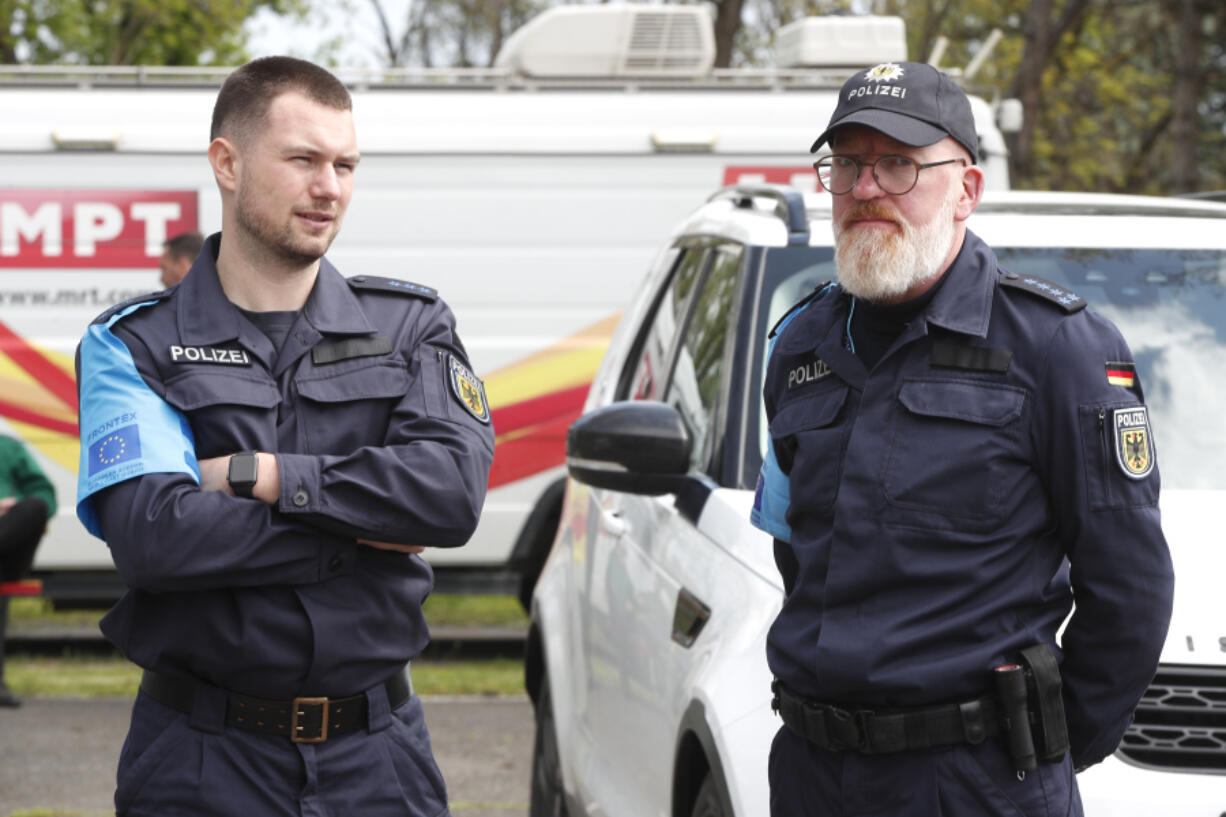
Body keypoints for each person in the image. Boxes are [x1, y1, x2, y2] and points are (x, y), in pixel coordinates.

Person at [751, 61, 1173, 817]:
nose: (867, 188)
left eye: (900, 164)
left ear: (967, 190)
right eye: (846, 163)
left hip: (976, 786)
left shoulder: (1054, 350)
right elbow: (799, 556)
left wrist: (1039, 748)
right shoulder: (800, 347)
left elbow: (1131, 589)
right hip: (813, 776)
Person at [74, 56, 494, 815]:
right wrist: (364, 532)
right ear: (227, 164)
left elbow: (449, 497)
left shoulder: (410, 326)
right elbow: (155, 539)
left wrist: (259, 473)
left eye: (345, 164)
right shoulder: (132, 345)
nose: (329, 186)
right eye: (303, 159)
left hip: (381, 758)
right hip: (198, 762)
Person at [0, 434, 56, 708]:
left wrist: (12, 504)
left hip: (9, 545)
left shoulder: (8, 447)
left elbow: (46, 495)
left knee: (35, 507)